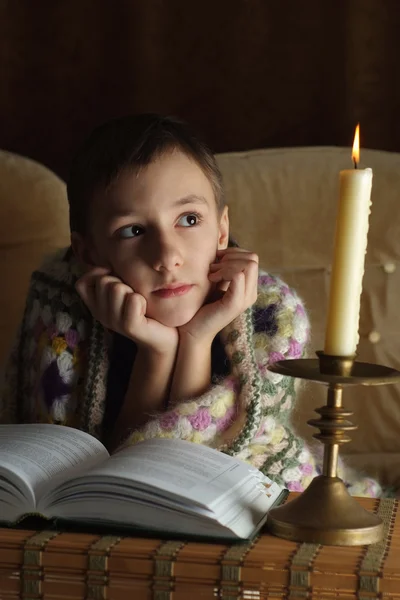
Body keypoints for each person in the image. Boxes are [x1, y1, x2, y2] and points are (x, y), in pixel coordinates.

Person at [0, 114, 381, 496]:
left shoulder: (268, 316)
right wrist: (158, 350)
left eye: (189, 218)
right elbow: (110, 481)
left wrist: (198, 337)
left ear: (221, 230)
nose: (167, 256)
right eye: (133, 230)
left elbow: (206, 466)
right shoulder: (60, 312)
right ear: (89, 253)